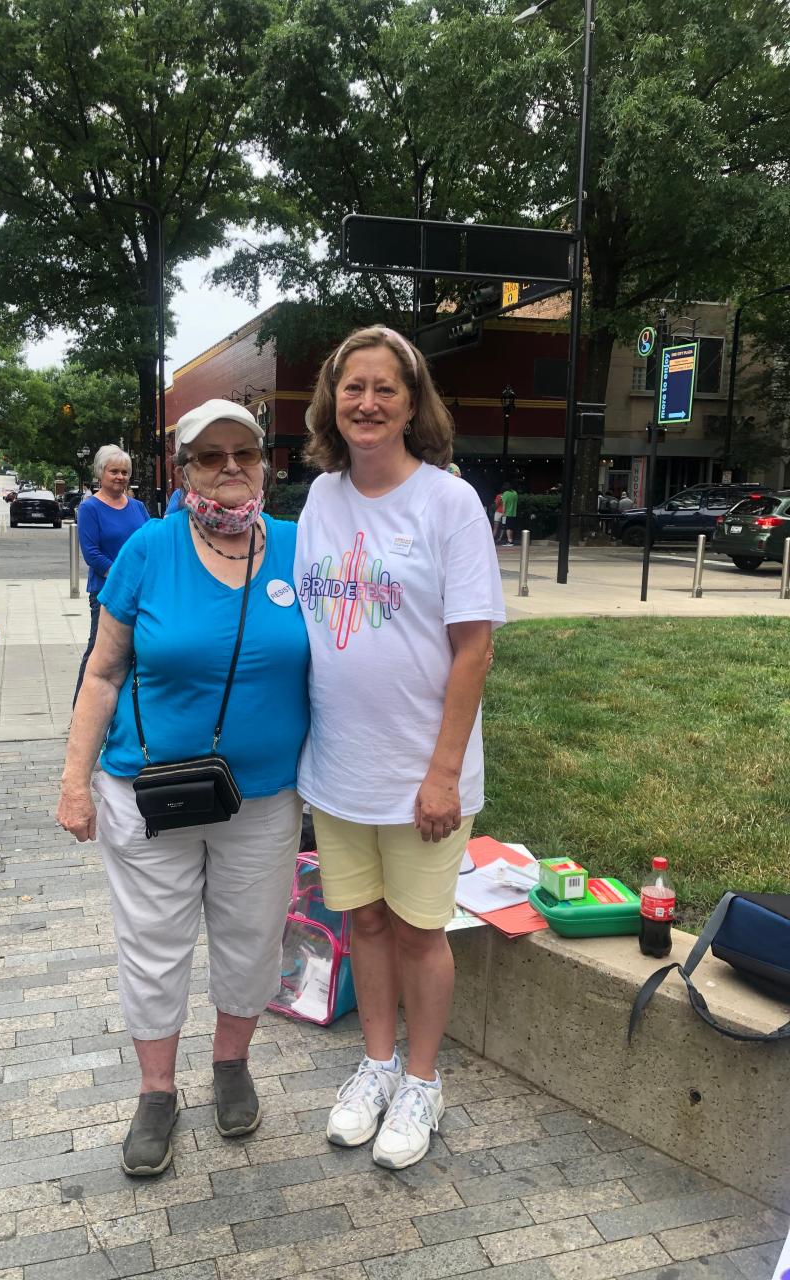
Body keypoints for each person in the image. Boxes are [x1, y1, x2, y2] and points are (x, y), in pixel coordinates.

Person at [56, 398, 310, 1178]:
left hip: (263, 797)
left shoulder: (303, 549)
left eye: (245, 453)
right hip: (148, 792)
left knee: (252, 940)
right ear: (181, 467)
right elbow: (103, 671)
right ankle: (156, 1092)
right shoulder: (149, 549)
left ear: (266, 462)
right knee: (154, 946)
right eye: (209, 456)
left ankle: (231, 1065)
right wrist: (74, 782)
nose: (230, 468)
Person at [295, 325, 505, 1171]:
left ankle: (423, 1080)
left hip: (424, 776)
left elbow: (475, 648)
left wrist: (444, 773)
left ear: (413, 404)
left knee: (421, 931)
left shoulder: (449, 503)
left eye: (387, 388)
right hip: (339, 769)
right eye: (354, 388)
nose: (369, 403)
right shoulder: (320, 499)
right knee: (367, 922)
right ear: (331, 401)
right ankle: (377, 1065)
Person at [73, 447, 149, 704]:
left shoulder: (138, 507)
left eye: (125, 472)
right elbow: (92, 554)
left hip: (141, 592)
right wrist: (123, 577)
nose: (120, 476)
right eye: (114, 471)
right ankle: (81, 710)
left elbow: (150, 543)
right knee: (100, 651)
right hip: (107, 591)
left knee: (139, 651)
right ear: (100, 472)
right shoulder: (90, 508)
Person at [500, 479, 519, 546]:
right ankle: (511, 540)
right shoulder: (515, 493)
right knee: (511, 527)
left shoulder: (505, 494)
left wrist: (503, 513)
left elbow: (504, 504)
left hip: (507, 513)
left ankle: (509, 541)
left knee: (507, 528)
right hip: (514, 513)